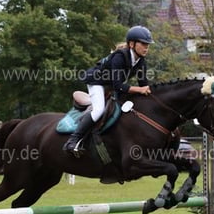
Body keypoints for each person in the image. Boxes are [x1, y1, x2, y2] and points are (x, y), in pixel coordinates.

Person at [63, 25, 154, 154]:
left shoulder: (141, 61)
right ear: (132, 44)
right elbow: (118, 86)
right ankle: (72, 141)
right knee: (99, 110)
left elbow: (144, 85)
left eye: (148, 45)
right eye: (143, 44)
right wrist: (139, 90)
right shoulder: (119, 57)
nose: (146, 47)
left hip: (111, 86)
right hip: (97, 82)